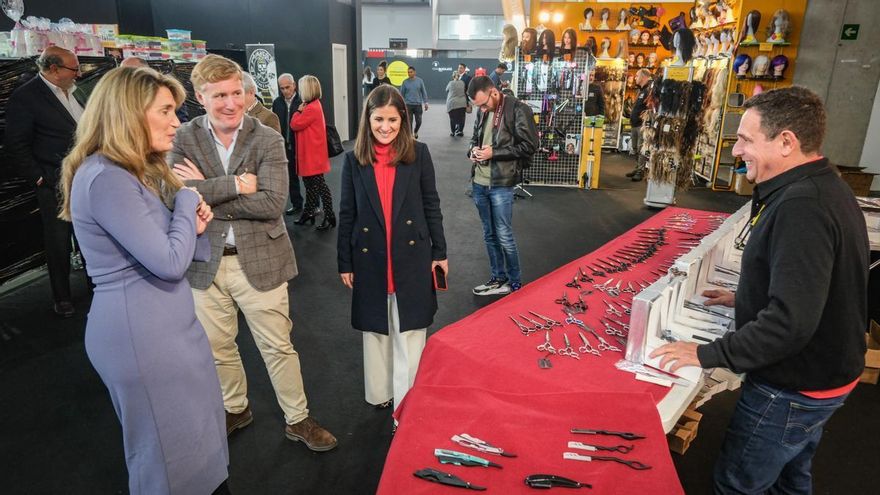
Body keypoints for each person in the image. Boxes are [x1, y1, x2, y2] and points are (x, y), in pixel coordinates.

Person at [650, 86, 869, 494]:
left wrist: (708, 353)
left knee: (738, 484)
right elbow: (818, 283)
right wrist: (746, 296)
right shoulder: (822, 187)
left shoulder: (802, 207)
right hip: (825, 376)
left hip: (793, 387)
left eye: (747, 140)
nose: (737, 151)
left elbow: (790, 323)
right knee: (791, 476)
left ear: (786, 142)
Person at [59, 66, 228, 494]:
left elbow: (167, 250)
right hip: (142, 338)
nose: (176, 121)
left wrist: (190, 223)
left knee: (194, 450)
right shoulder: (107, 178)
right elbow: (169, 261)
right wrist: (188, 203)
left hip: (161, 330)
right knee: (170, 462)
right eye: (166, 111)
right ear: (129, 113)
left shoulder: (123, 174)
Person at [170, 55, 337, 452]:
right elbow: (172, 194)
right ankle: (235, 407)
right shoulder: (183, 137)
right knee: (217, 347)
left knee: (278, 346)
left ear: (245, 93)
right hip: (203, 263)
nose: (230, 103)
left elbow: (273, 203)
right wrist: (237, 185)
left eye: (235, 93)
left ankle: (298, 418)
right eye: (219, 96)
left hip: (261, 260)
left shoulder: (267, 138)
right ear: (200, 96)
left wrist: (205, 188)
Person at [337, 84, 447, 415]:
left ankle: (407, 404)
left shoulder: (419, 154)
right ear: (367, 120)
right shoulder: (354, 160)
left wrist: (439, 253)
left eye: (393, 121)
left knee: (411, 332)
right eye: (379, 120)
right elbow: (347, 213)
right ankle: (381, 392)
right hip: (369, 258)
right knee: (375, 331)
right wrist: (345, 261)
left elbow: (431, 205)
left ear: (404, 120)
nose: (386, 127)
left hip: (412, 257)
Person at [4, 46, 85, 318]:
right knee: (58, 242)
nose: (79, 73)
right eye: (73, 69)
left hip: (86, 178)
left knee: (90, 234)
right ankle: (62, 298)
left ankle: (97, 287)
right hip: (53, 181)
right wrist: (39, 178)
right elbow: (16, 144)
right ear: (53, 69)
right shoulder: (26, 97)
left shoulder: (76, 92)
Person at [466, 75, 537, 296]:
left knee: (504, 234)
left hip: (501, 183)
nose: (483, 109)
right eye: (479, 106)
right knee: (489, 234)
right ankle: (498, 278)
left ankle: (514, 283)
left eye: (484, 104)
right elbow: (475, 138)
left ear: (494, 92)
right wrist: (472, 151)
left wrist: (495, 153)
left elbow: (530, 145)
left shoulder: (518, 109)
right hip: (479, 181)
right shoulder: (482, 109)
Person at [290, 74, 336, 231]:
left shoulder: (310, 108)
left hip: (312, 155)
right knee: (311, 186)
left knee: (319, 186)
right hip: (312, 154)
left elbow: (295, 124)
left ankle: (329, 216)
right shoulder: (314, 105)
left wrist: (297, 111)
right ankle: (308, 213)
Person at [271, 73, 305, 215]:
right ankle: (297, 204)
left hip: (302, 145)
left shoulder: (303, 101)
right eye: (282, 88)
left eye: (287, 87)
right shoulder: (277, 103)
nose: (285, 91)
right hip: (285, 145)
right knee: (291, 177)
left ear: (294, 85)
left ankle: (313, 206)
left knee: (309, 178)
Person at [121, 56, 189, 123]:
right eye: (122, 73)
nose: (127, 78)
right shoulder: (118, 97)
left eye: (131, 73)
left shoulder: (167, 93)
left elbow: (180, 123)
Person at [626, 69, 653, 181]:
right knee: (635, 148)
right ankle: (638, 167)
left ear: (643, 77)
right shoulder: (641, 90)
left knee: (641, 148)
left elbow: (650, 109)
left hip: (641, 126)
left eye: (637, 76)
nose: (635, 78)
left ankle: (640, 171)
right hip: (634, 124)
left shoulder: (648, 90)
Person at [400, 66, 429, 139]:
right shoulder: (405, 82)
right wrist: (401, 105)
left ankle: (416, 131)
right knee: (409, 123)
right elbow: (401, 94)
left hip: (418, 105)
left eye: (411, 72)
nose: (409, 73)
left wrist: (426, 102)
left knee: (419, 122)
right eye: (408, 72)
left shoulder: (420, 81)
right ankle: (410, 137)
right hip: (408, 105)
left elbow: (423, 92)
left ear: (414, 72)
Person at [445, 72, 467, 137]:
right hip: (462, 103)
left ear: (453, 76)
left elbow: (446, 90)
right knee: (462, 118)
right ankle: (460, 131)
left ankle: (453, 132)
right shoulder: (462, 83)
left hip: (452, 103)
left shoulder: (450, 83)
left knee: (452, 119)